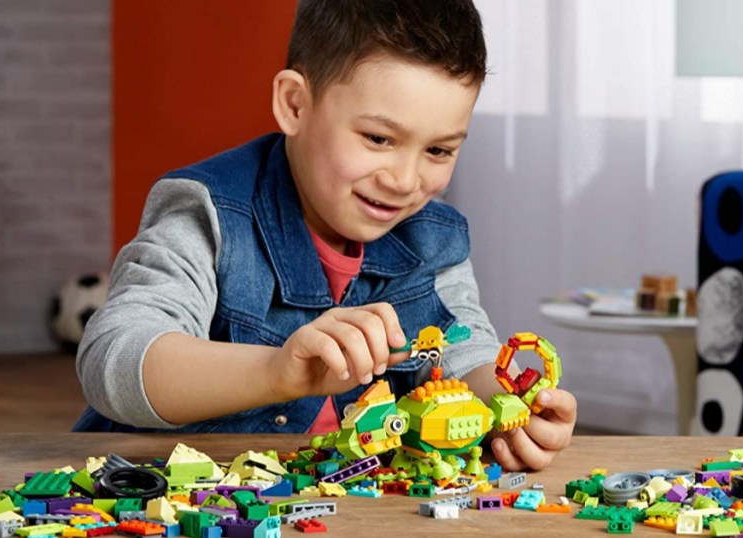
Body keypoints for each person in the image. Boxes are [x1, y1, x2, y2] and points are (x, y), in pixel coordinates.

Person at [74, 0, 576, 472]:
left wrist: (507, 404)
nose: (404, 180)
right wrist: (276, 371)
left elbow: (463, 348)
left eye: (439, 151)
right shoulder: (208, 210)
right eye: (379, 139)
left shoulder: (431, 236)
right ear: (295, 105)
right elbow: (114, 357)